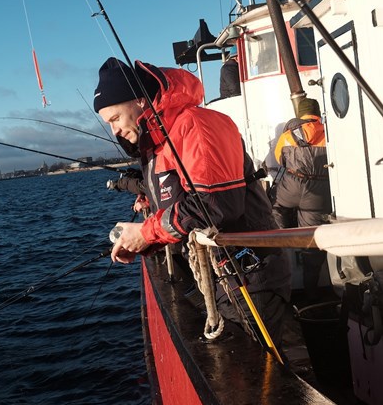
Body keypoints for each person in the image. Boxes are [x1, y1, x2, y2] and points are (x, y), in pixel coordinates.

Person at [93, 56, 292, 345]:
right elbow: (177, 205)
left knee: (262, 369)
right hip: (223, 275)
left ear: (139, 102)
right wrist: (145, 242)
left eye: (115, 119)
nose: (115, 131)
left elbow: (215, 205)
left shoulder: (197, 126)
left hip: (248, 275)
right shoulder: (160, 143)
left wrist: (146, 232)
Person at [271, 97, 332, 300]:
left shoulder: (288, 135)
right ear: (316, 112)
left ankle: (281, 246)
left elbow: (280, 159)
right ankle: (311, 291)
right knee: (312, 240)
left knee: (277, 209)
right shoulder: (328, 132)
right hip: (318, 193)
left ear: (301, 114)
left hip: (292, 187)